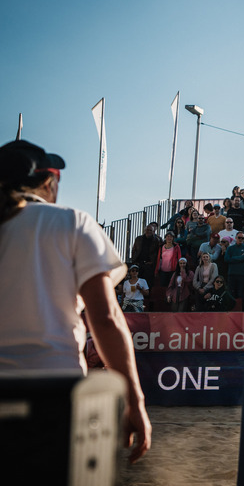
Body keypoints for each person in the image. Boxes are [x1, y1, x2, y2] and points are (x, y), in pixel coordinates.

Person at [0, 139, 150, 462]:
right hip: (53, 391)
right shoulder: (71, 223)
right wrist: (134, 399)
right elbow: (106, 319)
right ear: (47, 183)